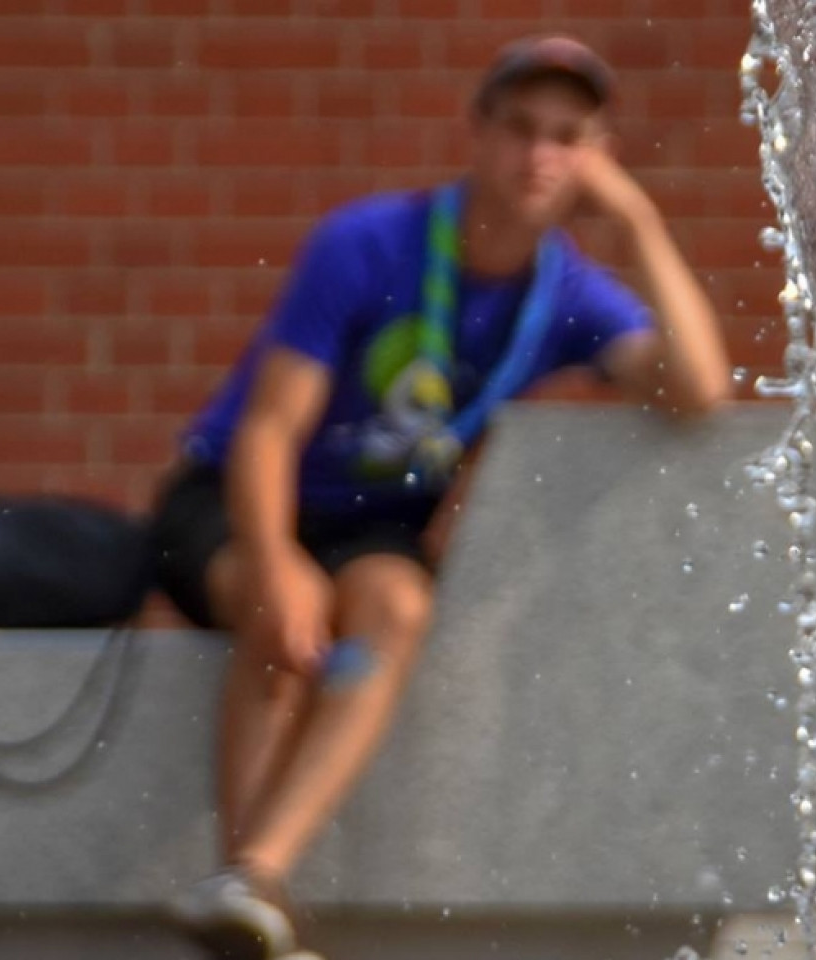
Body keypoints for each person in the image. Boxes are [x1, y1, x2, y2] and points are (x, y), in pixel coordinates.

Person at [150, 35, 732, 960]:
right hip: (236, 497)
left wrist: (639, 221)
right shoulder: (367, 242)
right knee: (279, 615)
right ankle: (241, 881)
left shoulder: (567, 291)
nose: (540, 156)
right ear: (476, 132)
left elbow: (698, 390)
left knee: (397, 606)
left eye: (567, 137)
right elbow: (266, 431)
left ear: (595, 155)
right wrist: (276, 562)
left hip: (370, 523)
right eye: (520, 130)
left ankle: (255, 879)